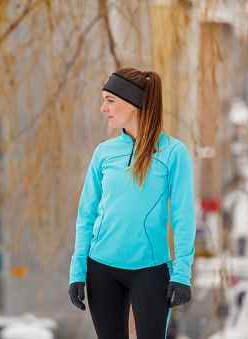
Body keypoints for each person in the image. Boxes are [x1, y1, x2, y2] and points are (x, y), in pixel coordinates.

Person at [68, 68, 196, 339]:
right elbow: (86, 215)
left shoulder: (173, 153)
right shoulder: (104, 153)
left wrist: (182, 274)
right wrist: (77, 271)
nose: (103, 108)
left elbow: (183, 217)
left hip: (150, 271)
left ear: (134, 103)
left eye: (110, 100)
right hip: (101, 269)